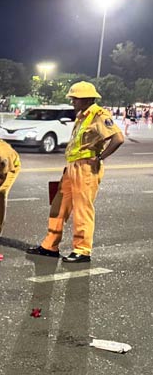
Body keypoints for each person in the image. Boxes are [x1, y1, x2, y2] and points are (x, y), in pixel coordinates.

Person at [27, 81, 124, 262]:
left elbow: (118, 138)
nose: (72, 102)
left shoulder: (99, 115)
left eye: (75, 99)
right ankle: (50, 246)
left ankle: (82, 250)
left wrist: (100, 158)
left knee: (82, 210)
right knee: (58, 207)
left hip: (86, 167)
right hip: (72, 168)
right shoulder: (82, 115)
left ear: (86, 99)